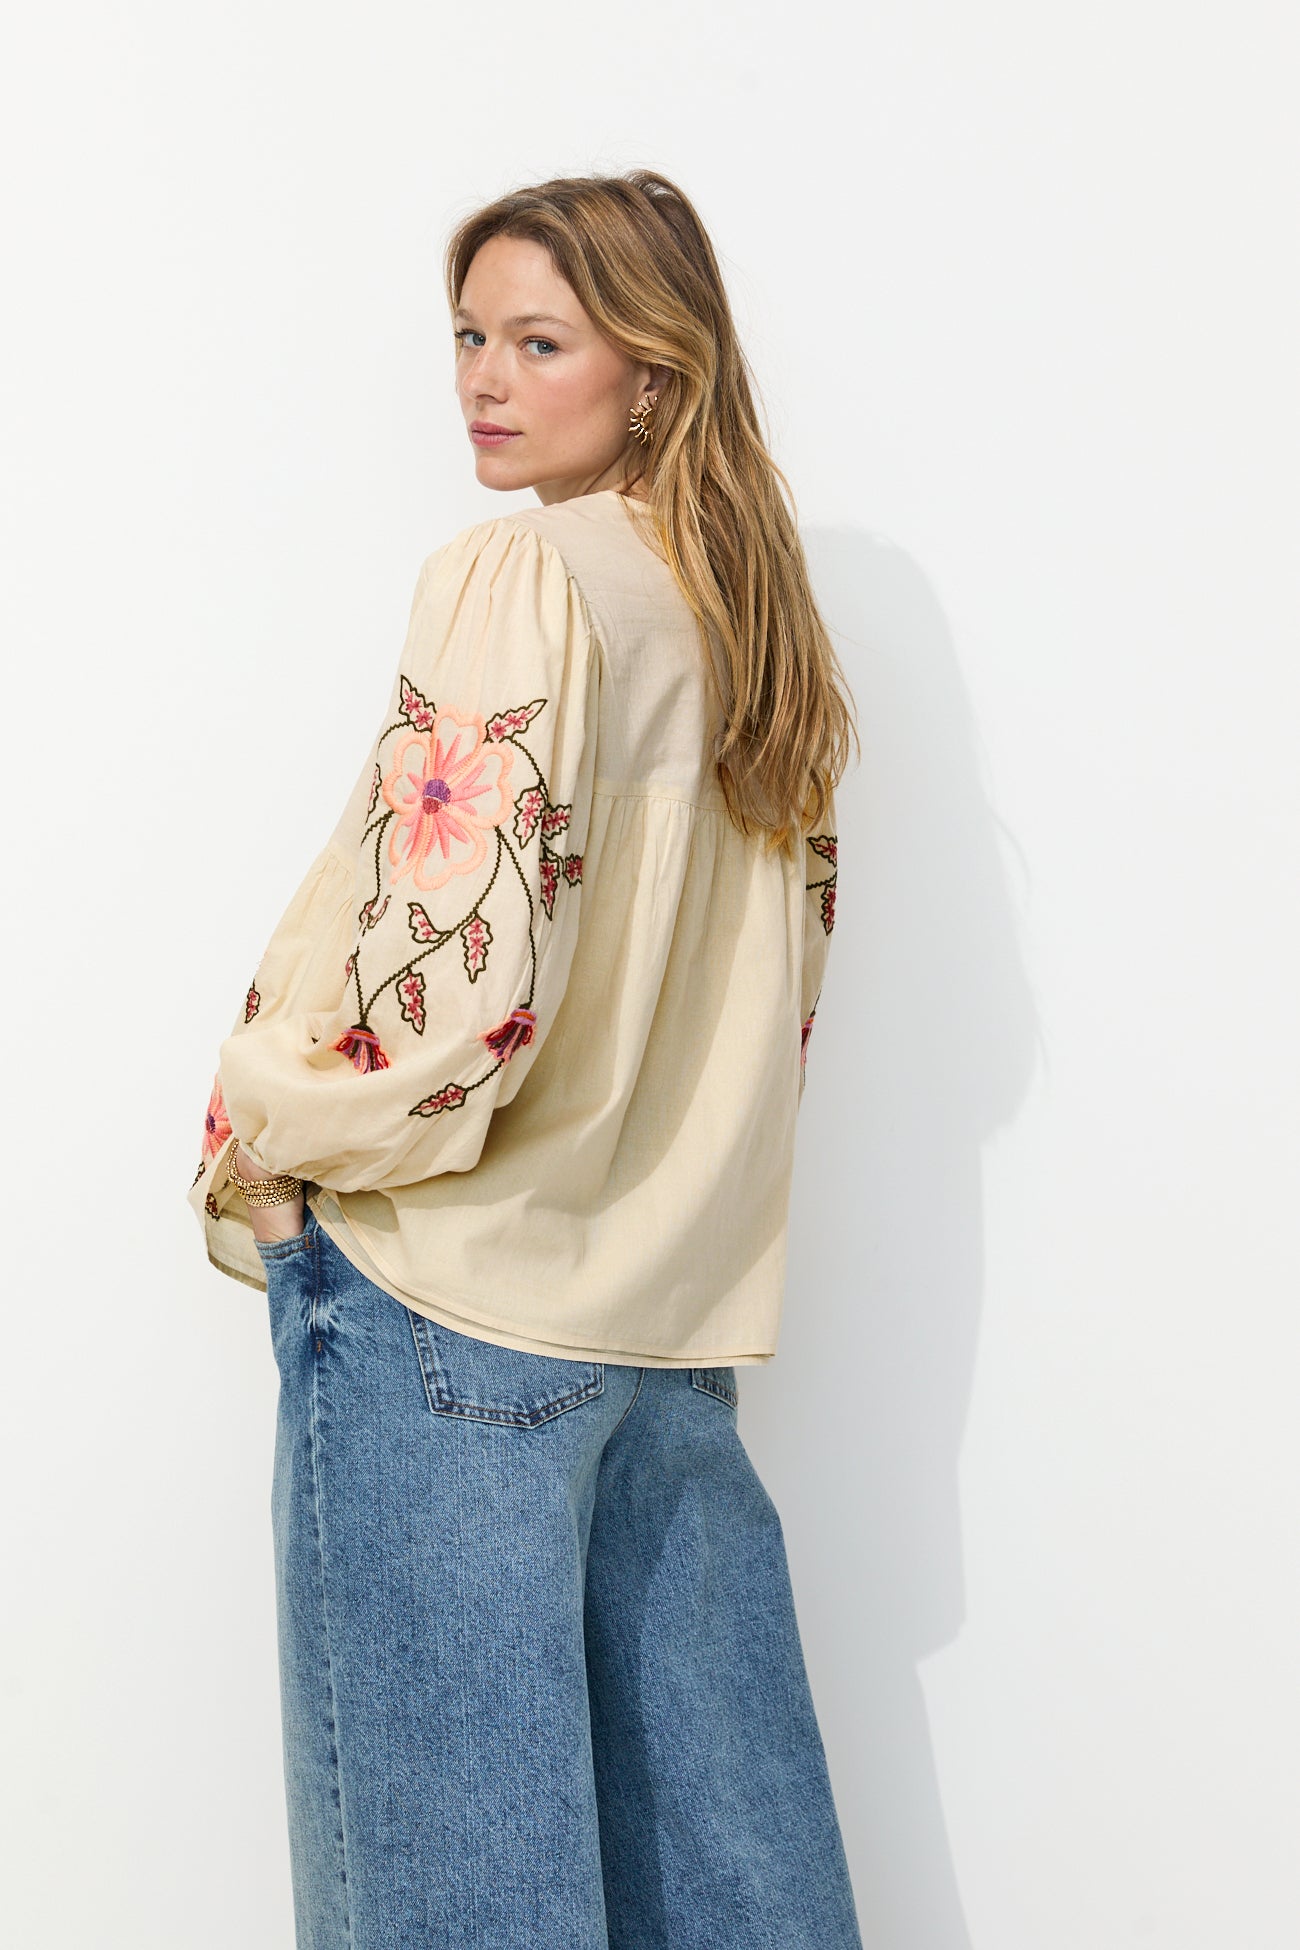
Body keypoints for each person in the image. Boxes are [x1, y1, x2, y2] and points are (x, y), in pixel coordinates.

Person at [188, 168, 862, 1949]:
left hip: (455, 1317)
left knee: (455, 1911)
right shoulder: (752, 617)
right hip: (667, 1330)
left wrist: (270, 1128)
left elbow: (445, 982)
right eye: (471, 336)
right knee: (735, 1898)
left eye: (540, 342)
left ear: (655, 369)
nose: (485, 378)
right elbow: (781, 996)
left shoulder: (525, 576)